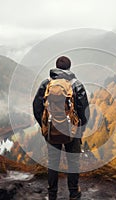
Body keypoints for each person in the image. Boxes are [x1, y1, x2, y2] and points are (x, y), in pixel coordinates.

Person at [33, 56, 89, 200]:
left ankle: (52, 195)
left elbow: (37, 107)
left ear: (56, 67)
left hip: (52, 129)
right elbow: (84, 110)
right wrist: (80, 129)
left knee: (53, 163)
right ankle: (74, 194)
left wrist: (45, 126)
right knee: (73, 162)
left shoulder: (46, 84)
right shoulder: (76, 84)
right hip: (72, 130)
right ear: (69, 67)